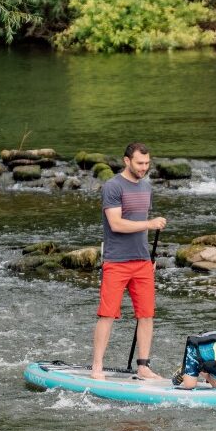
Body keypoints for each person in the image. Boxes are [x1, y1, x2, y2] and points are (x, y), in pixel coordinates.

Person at [91, 142, 167, 380]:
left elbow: (140, 224)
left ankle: (143, 366)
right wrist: (150, 223)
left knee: (146, 314)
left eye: (147, 163)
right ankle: (97, 367)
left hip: (142, 261)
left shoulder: (146, 186)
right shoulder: (112, 187)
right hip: (116, 261)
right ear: (127, 161)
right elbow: (116, 224)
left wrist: (148, 257)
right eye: (140, 163)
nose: (144, 168)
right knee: (107, 314)